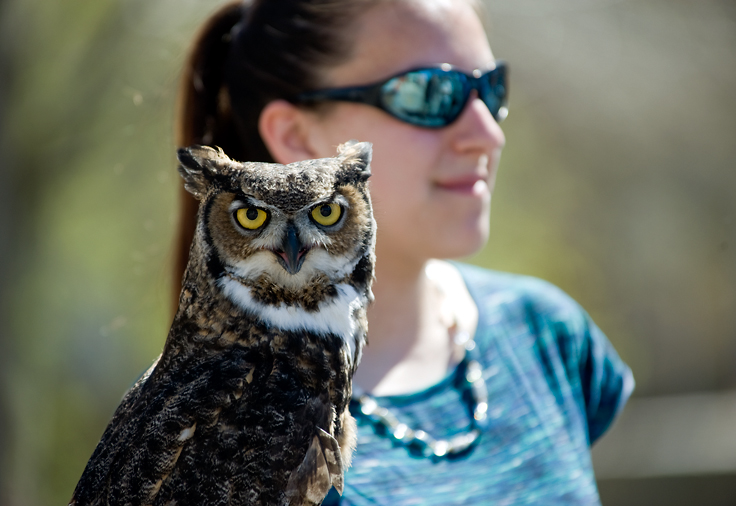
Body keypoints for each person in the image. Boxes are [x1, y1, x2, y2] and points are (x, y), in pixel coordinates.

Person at [173, 0, 634, 504]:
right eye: (430, 93)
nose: (488, 134)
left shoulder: (548, 335)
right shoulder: (211, 431)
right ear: (298, 138)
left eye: (490, 90)